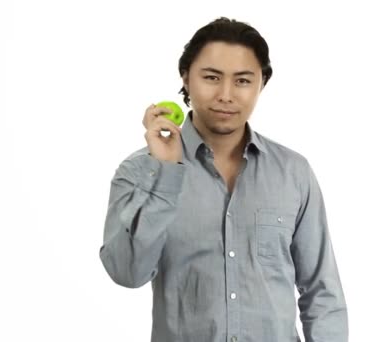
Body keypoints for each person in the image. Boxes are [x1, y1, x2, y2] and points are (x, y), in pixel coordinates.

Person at [99, 17, 348, 342]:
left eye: (243, 80)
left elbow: (321, 290)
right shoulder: (137, 171)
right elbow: (127, 273)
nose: (226, 95)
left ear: (262, 83)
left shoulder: (294, 172)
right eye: (212, 77)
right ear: (186, 78)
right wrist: (165, 174)